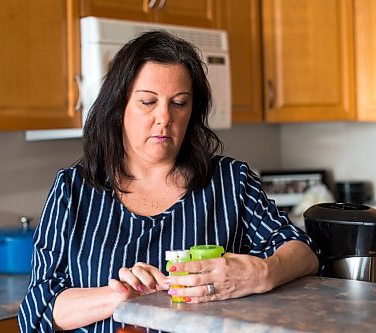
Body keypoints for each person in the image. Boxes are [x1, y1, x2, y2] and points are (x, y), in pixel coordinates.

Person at [18, 30, 320, 332]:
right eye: (148, 102)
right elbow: (38, 311)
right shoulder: (73, 190)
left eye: (179, 103)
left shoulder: (231, 182)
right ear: (119, 107)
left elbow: (305, 252)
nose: (164, 117)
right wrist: (119, 297)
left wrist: (262, 273)